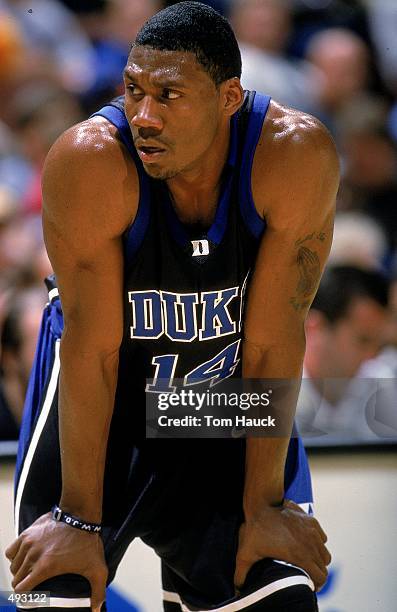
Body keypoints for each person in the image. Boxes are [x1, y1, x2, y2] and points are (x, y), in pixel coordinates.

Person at [5, 3, 339, 611]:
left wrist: (263, 507)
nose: (143, 116)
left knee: (277, 596)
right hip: (103, 402)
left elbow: (273, 341)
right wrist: (79, 521)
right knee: (60, 595)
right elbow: (94, 350)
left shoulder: (292, 154)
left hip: (216, 399)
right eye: (133, 90)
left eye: (169, 95)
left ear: (230, 96)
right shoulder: (91, 160)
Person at [296, 265, 394, 442]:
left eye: (379, 344)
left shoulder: (386, 386)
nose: (372, 356)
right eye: (363, 340)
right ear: (315, 328)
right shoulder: (267, 395)